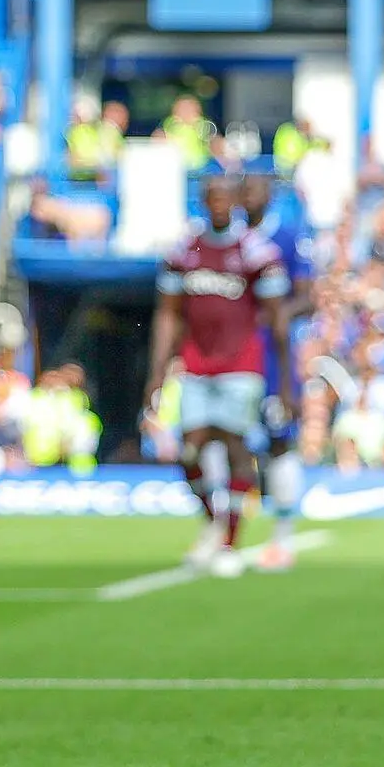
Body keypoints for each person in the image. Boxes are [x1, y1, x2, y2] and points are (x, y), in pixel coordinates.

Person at [143, 174, 292, 578]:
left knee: (235, 448)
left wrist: (285, 381)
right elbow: (168, 315)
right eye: (213, 198)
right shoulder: (185, 250)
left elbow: (277, 318)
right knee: (188, 450)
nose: (220, 205)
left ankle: (228, 541)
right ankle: (213, 519)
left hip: (241, 365)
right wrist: (155, 376)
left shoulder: (256, 252)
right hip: (195, 364)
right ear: (204, 202)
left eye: (227, 198)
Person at [244, 171, 313, 571]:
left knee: (278, 439)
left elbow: (307, 298)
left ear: (269, 196)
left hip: (273, 356)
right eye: (244, 190)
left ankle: (282, 541)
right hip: (233, 356)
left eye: (256, 190)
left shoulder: (285, 237)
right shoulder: (229, 241)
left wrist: (278, 317)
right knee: (222, 439)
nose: (249, 196)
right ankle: (224, 534)